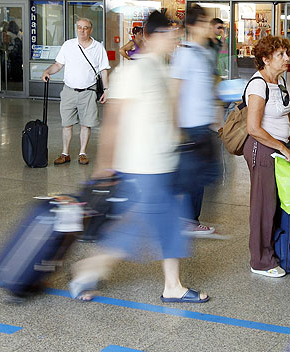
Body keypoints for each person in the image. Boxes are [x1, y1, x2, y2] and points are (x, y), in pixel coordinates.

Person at [68, 11, 209, 304]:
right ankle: (86, 270)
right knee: (132, 230)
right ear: (153, 36)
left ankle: (173, 286)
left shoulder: (161, 69)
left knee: (169, 224)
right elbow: (113, 121)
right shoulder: (133, 71)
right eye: (170, 36)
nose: (175, 42)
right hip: (141, 167)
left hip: (163, 164)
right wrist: (104, 165)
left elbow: (168, 117)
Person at [245, 35, 290, 278]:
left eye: (286, 54)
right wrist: (282, 147)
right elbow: (253, 128)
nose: (287, 58)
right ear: (266, 60)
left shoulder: (278, 82)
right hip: (264, 150)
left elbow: (284, 115)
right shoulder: (258, 85)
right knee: (263, 206)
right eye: (280, 55)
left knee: (276, 205)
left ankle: (273, 250)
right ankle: (260, 261)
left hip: (279, 148)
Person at [170, 4, 221, 237]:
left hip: (204, 124)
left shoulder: (202, 51)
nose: (205, 27)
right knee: (195, 177)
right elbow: (175, 91)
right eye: (201, 23)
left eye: (206, 22)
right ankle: (187, 220)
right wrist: (176, 127)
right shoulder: (185, 53)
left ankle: (188, 218)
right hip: (191, 126)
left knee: (203, 176)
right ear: (191, 26)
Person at [42, 18, 110, 166]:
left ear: (90, 30)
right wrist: (47, 71)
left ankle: (82, 153)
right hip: (69, 91)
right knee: (67, 124)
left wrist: (106, 89)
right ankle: (65, 153)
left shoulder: (98, 48)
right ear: (76, 29)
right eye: (79, 27)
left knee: (86, 124)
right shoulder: (68, 45)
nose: (82, 30)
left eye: (85, 28)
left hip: (88, 91)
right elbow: (58, 65)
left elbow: (103, 69)